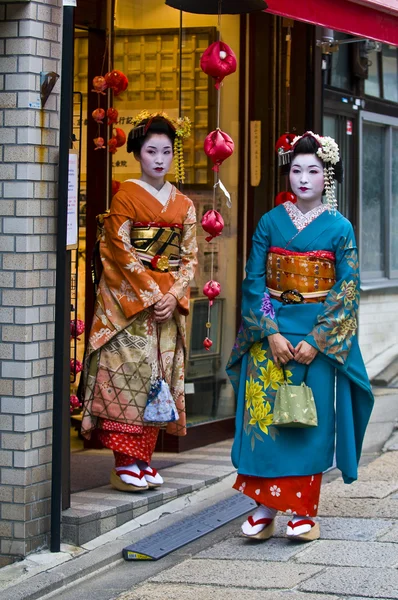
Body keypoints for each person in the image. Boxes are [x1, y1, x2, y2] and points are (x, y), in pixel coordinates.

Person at [227, 131, 374, 541]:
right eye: (296, 170)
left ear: (327, 175)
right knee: (265, 419)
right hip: (271, 334)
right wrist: (270, 330)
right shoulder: (270, 223)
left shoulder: (339, 228)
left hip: (316, 339)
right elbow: (255, 282)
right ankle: (264, 506)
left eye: (313, 170)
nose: (303, 178)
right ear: (287, 174)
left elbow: (346, 290)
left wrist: (318, 338)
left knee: (309, 422)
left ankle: (303, 509)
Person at [81, 111, 197, 492]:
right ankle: (123, 461)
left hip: (165, 306)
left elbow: (191, 256)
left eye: (166, 151)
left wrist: (175, 294)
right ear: (137, 153)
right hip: (132, 306)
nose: (159, 159)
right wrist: (151, 294)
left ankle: (143, 458)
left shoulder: (184, 204)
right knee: (129, 374)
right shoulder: (126, 196)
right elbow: (119, 250)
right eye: (151, 151)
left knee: (159, 377)